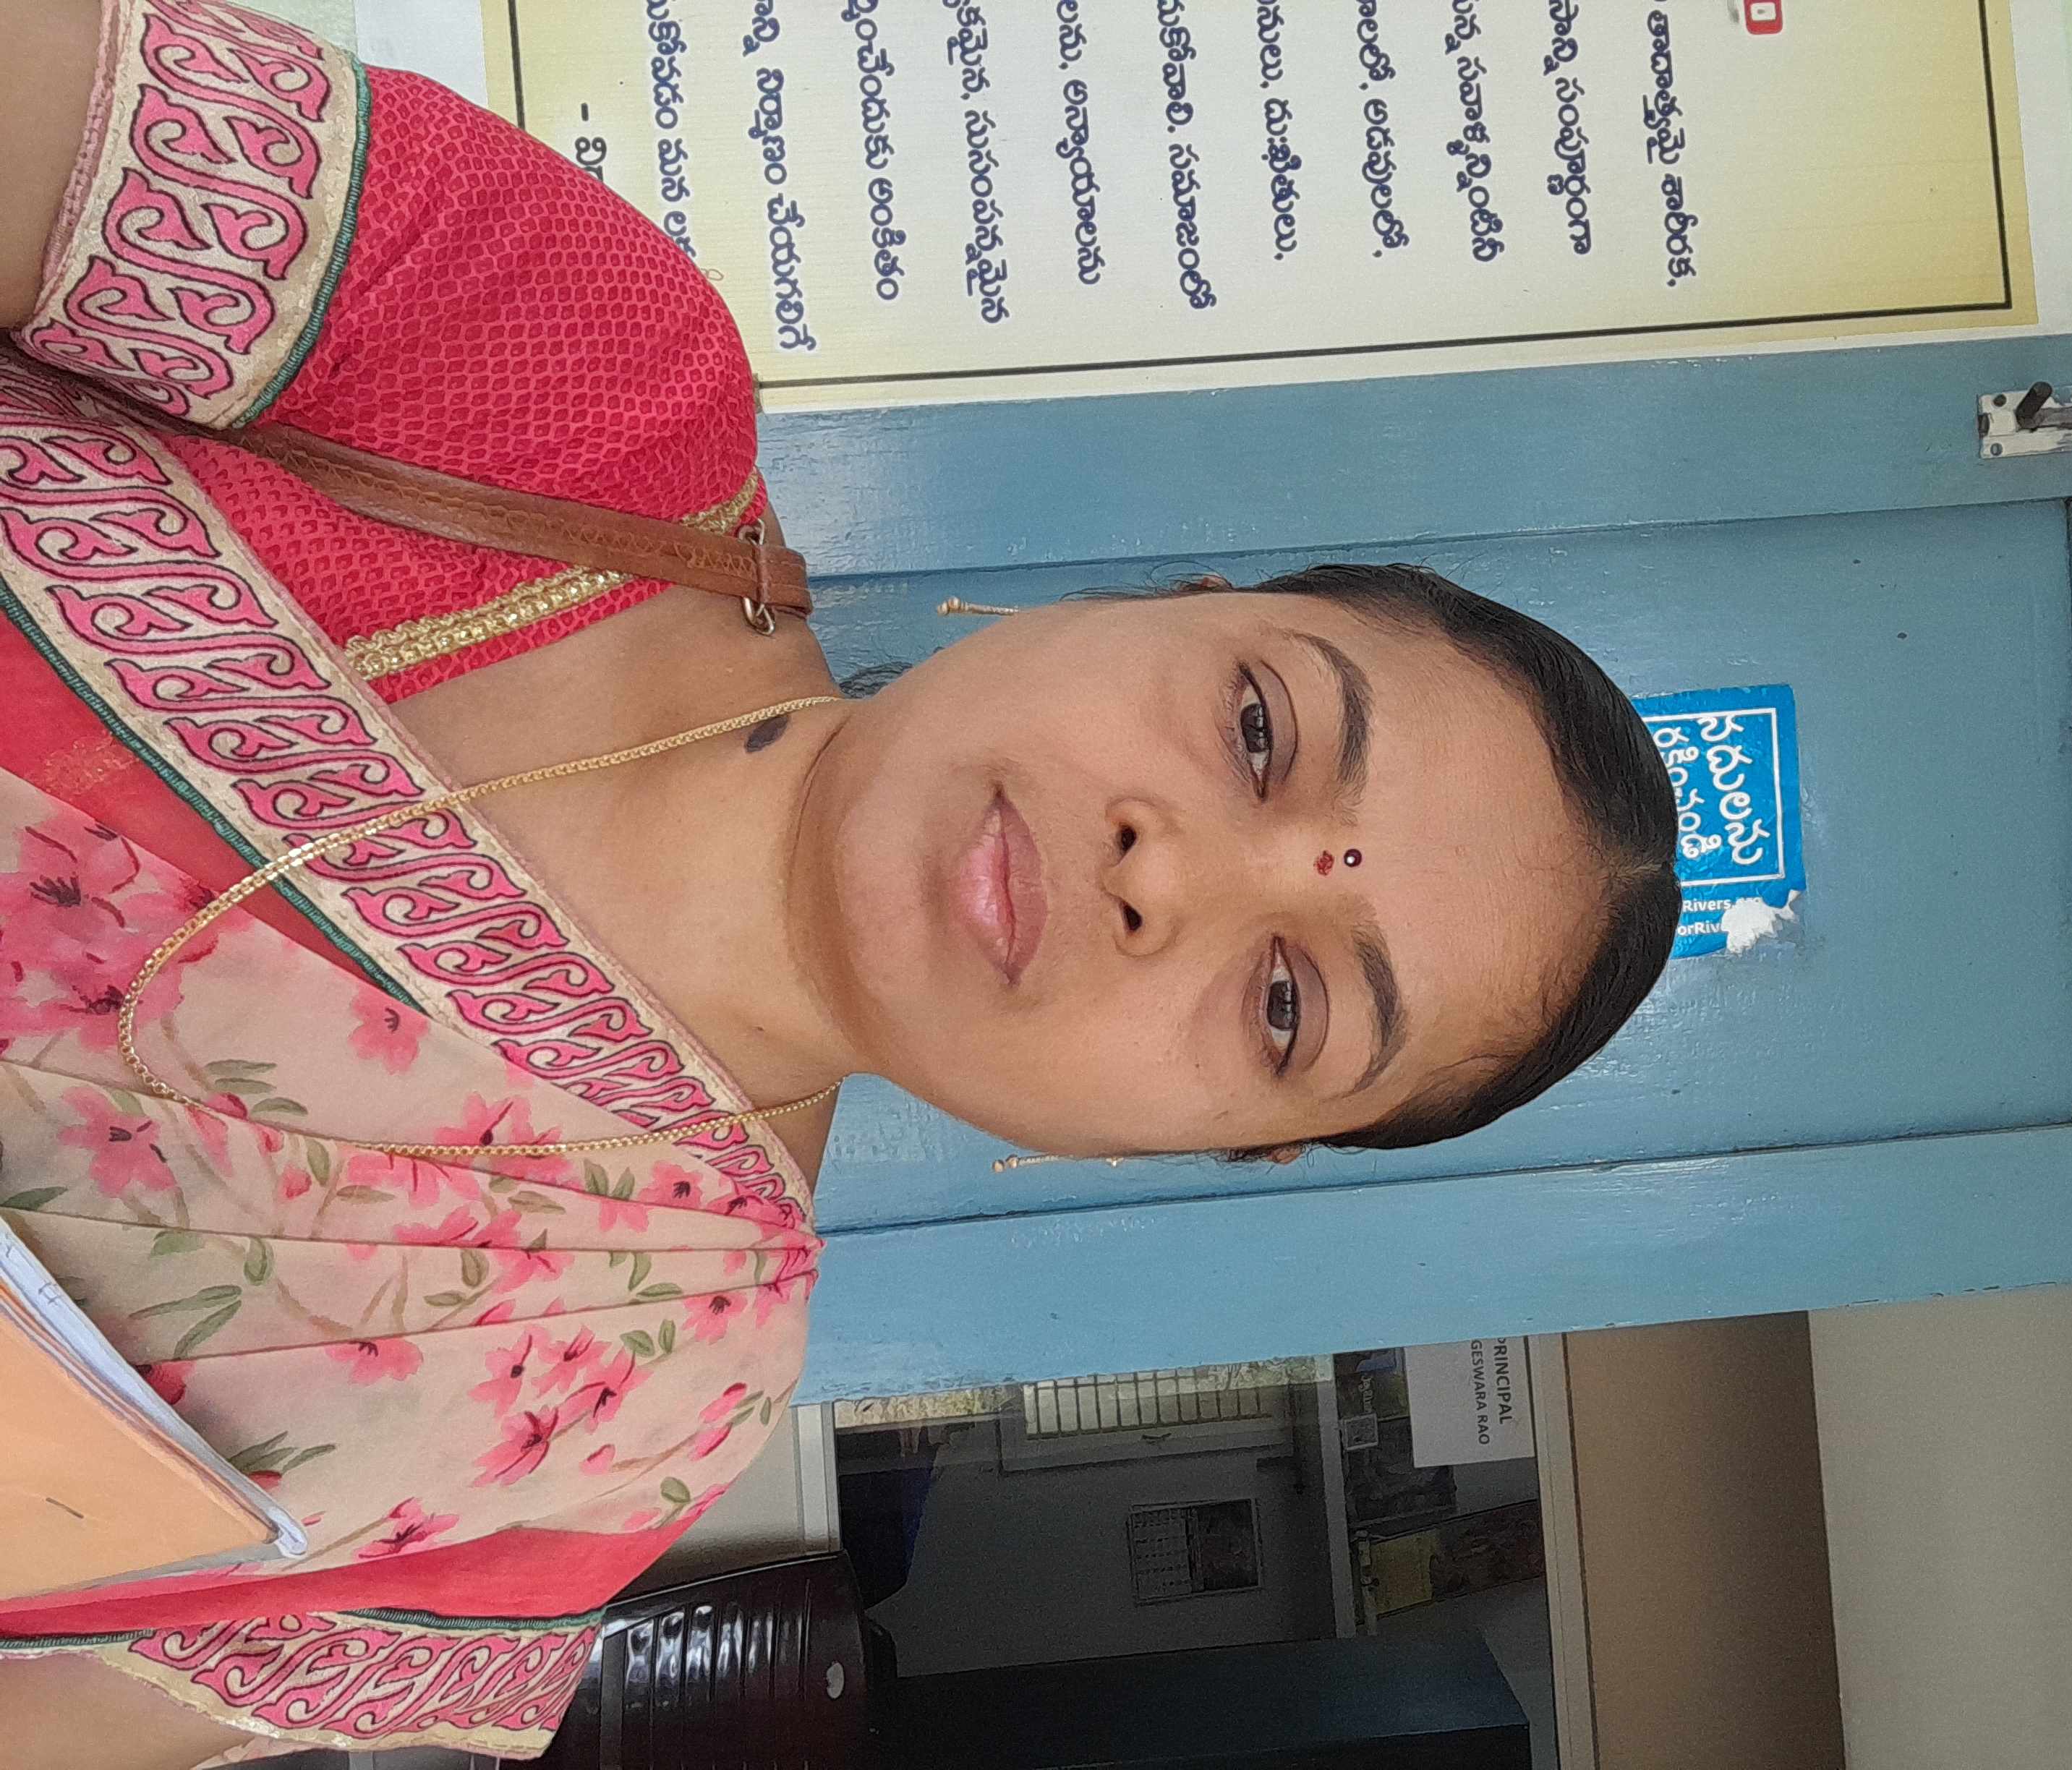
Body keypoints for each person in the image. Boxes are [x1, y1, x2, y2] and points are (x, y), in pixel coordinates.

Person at [0, 1, 1678, 1763]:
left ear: (1202, 1144)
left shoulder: (640, 1408)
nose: (1166, 869)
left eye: (1285, 1003)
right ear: (1176, 598)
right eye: (1260, 727)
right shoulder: (577, 375)